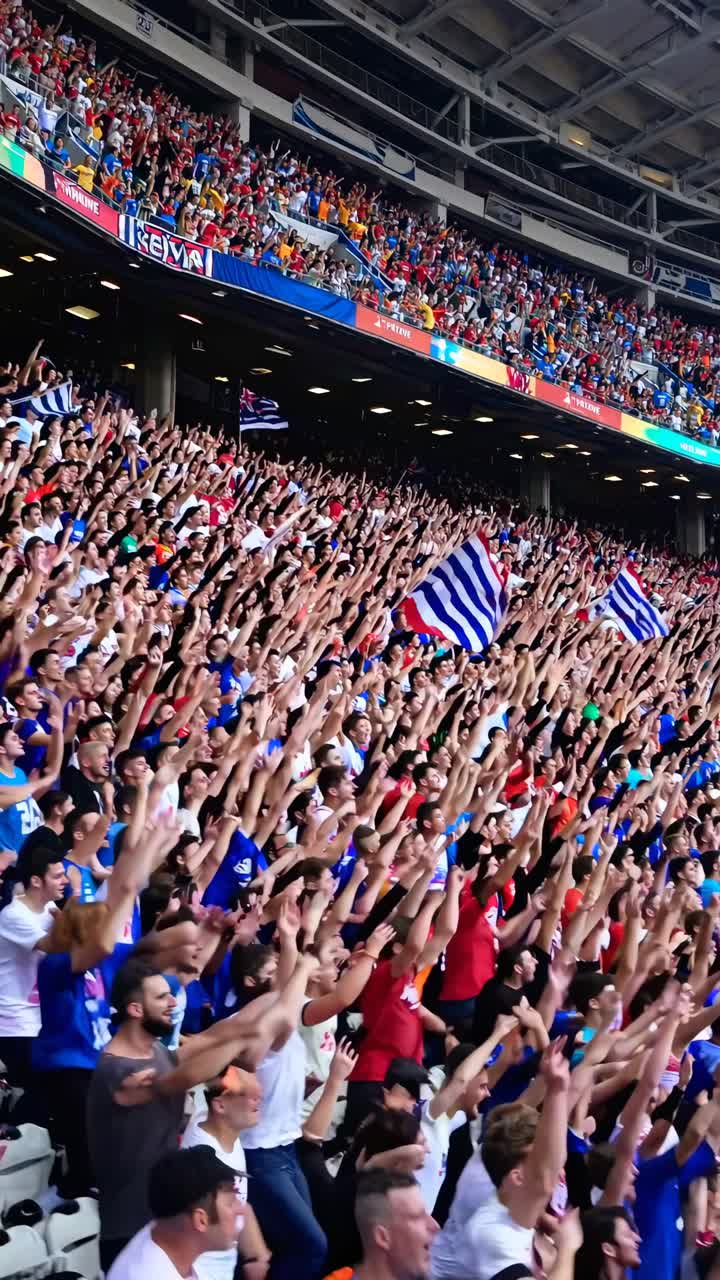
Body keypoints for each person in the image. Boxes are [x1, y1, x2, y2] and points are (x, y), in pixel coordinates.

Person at [181, 1064, 271, 1280]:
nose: (257, 1098)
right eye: (246, 1094)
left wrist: (256, 1255)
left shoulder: (224, 1131)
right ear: (220, 1105)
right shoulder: (202, 1157)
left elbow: (238, 1204)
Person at [107, 1145, 246, 1280]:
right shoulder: (146, 1273)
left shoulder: (169, 1241)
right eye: (231, 1203)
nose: (241, 1209)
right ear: (201, 1220)